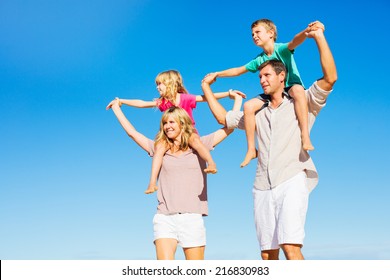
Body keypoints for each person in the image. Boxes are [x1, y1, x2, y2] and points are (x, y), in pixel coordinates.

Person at [202, 27, 337, 260]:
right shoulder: (257, 112)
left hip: (291, 178)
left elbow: (330, 78)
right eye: (260, 77)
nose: (262, 80)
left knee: (291, 247)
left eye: (267, 76)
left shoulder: (302, 101)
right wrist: (207, 87)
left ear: (281, 76)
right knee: (266, 254)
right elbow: (224, 118)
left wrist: (319, 37)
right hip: (262, 185)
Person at [106, 92, 243, 260]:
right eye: (164, 123)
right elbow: (133, 133)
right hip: (165, 217)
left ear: (182, 124)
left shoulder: (200, 145)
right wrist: (116, 108)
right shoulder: (159, 149)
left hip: (192, 217)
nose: (167, 126)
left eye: (171, 122)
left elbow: (229, 128)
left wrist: (237, 102)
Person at [205, 19, 325, 167]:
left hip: (290, 86)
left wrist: (307, 31)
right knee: (248, 106)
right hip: (271, 92)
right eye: (252, 34)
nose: (254, 36)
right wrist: (217, 74)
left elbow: (295, 41)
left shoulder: (281, 49)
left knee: (299, 91)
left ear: (270, 34)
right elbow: (237, 70)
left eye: (257, 32)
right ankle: (251, 149)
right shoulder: (260, 59)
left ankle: (305, 135)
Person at [108, 70, 245, 194]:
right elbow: (142, 103)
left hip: (189, 131)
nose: (157, 87)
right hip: (169, 137)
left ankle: (211, 162)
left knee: (195, 141)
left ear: (170, 84)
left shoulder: (185, 98)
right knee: (159, 148)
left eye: (160, 84)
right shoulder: (162, 102)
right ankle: (152, 183)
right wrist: (122, 101)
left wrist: (228, 94)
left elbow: (205, 97)